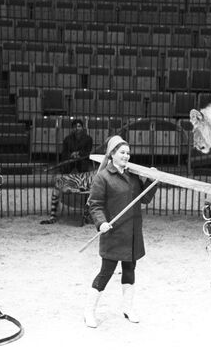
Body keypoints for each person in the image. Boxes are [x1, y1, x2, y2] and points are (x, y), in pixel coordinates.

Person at [84, 135, 159, 328]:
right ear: (112, 155)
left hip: (132, 234)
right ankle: (89, 312)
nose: (126, 156)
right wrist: (101, 223)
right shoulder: (103, 177)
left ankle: (128, 308)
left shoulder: (132, 175)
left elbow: (145, 199)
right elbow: (95, 205)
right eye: (122, 152)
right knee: (105, 273)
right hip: (113, 233)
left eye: (128, 153)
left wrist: (152, 180)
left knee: (129, 270)